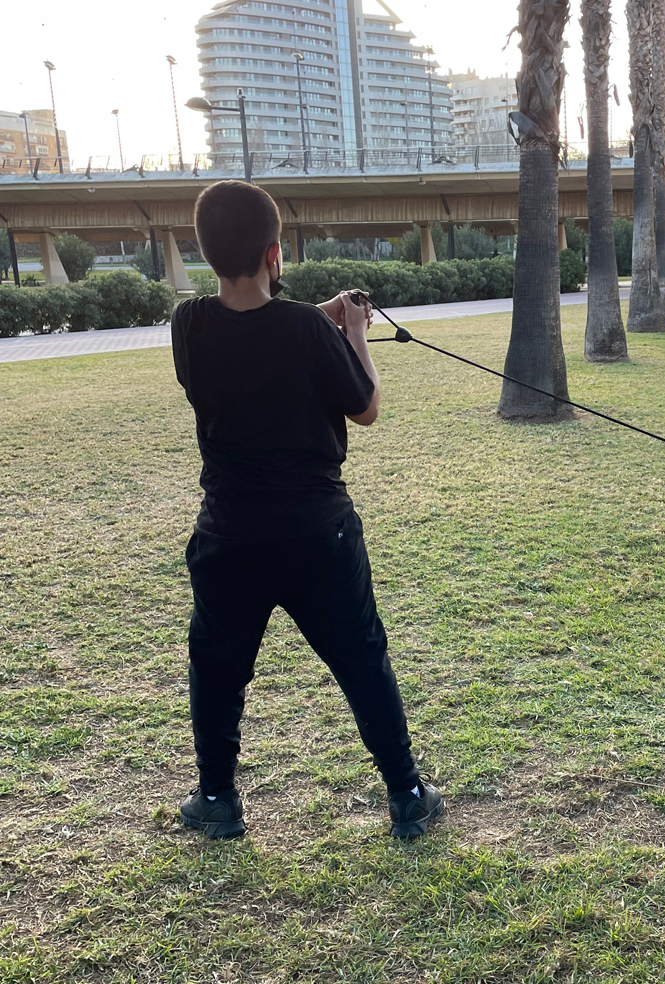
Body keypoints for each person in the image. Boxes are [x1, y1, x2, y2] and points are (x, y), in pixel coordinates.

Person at [171, 179, 443, 840]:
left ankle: (217, 799)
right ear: (274, 255)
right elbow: (366, 407)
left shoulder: (190, 324)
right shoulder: (304, 331)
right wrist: (357, 333)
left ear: (211, 257)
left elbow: (264, 332)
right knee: (361, 660)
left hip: (228, 536)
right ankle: (406, 795)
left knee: (217, 670)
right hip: (318, 535)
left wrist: (326, 316)